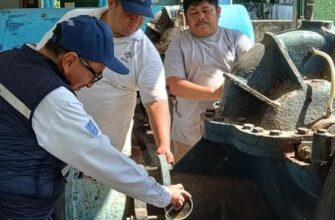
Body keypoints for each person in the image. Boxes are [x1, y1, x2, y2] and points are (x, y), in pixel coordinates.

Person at [0, 15, 190, 219]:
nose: (92, 84)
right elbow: (102, 158)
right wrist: (163, 195)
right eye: (96, 74)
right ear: (70, 60)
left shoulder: (8, 59)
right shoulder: (52, 97)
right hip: (18, 208)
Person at [38, 0, 174, 164]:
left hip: (107, 151)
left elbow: (155, 100)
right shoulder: (75, 20)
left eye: (142, 15)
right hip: (57, 141)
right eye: (130, 12)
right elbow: (44, 57)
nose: (136, 20)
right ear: (112, 3)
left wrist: (164, 145)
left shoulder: (144, 52)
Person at [164, 0, 254, 162]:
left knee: (229, 183)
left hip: (231, 132)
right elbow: (175, 85)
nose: (201, 17)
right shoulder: (179, 43)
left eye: (206, 10)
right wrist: (216, 93)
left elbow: (254, 70)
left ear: (218, 12)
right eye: (194, 12)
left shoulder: (237, 39)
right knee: (186, 182)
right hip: (188, 134)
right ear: (186, 17)